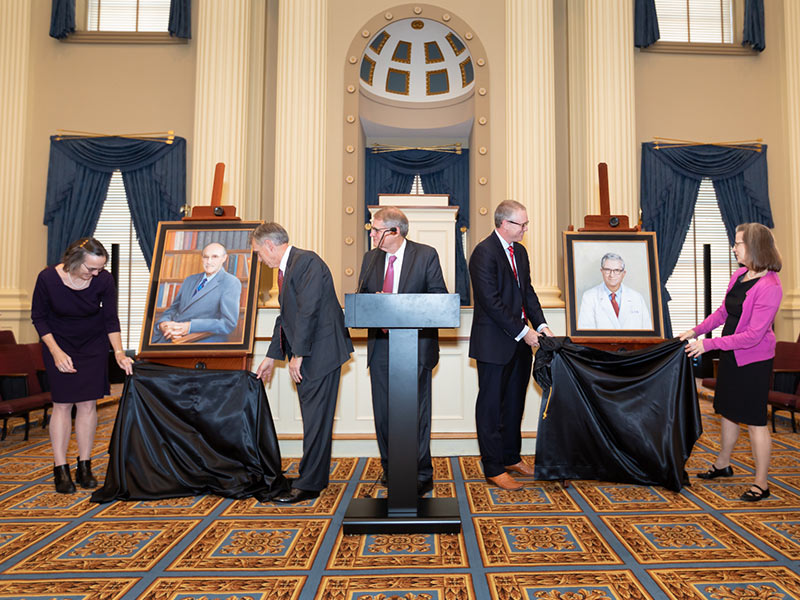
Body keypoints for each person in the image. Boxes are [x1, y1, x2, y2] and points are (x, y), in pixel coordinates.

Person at [680, 222, 782, 502]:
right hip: (731, 355)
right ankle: (723, 463)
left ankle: (762, 484)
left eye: (739, 243)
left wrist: (708, 345)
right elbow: (724, 313)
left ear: (755, 247)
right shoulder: (739, 276)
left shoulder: (770, 286)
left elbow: (752, 336)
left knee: (754, 420)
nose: (734, 247)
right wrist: (695, 331)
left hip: (753, 361)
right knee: (727, 410)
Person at [252, 222, 353, 503]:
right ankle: (312, 476)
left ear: (270, 246)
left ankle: (310, 484)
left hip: (320, 353)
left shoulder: (306, 262)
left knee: (316, 420)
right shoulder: (290, 267)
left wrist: (298, 355)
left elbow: (308, 311)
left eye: (259, 253)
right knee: (313, 419)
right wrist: (273, 357)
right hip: (312, 352)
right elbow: (286, 317)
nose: (260, 259)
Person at [31, 238, 134, 493]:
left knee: (88, 404)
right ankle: (60, 467)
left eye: (100, 268)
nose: (96, 274)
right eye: (91, 269)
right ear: (74, 262)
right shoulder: (47, 279)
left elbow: (110, 319)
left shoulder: (103, 280)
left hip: (92, 345)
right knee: (63, 404)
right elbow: (39, 318)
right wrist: (56, 352)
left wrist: (119, 353)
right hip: (58, 343)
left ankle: (84, 465)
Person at [357, 206, 448, 496]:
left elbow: (438, 298)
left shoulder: (425, 254)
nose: (371, 234)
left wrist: (396, 303)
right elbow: (361, 299)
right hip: (381, 347)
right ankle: (391, 468)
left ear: (394, 231)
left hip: (416, 347)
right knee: (383, 413)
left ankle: (421, 473)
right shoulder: (370, 259)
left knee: (416, 413)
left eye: (376, 229)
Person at [469, 200, 553, 490]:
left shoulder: (520, 252)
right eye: (522, 224)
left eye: (526, 223)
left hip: (519, 343)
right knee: (491, 406)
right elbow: (491, 303)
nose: (525, 229)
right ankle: (493, 467)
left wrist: (541, 325)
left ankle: (510, 457)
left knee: (515, 403)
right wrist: (524, 332)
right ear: (504, 223)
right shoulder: (483, 253)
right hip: (494, 343)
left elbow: (526, 292)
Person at [151, 242, 241, 344]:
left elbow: (228, 324)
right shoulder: (190, 280)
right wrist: (163, 324)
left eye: (215, 257)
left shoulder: (230, 282)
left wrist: (189, 327)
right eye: (206, 257)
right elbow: (173, 309)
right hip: (170, 337)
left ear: (224, 258)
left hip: (201, 340)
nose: (209, 261)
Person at [577, 252, 652, 329]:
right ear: (601, 271)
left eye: (616, 270)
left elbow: (648, 331)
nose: (612, 275)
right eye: (607, 270)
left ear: (623, 273)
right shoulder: (589, 297)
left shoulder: (637, 298)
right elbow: (585, 333)